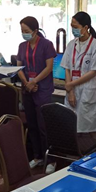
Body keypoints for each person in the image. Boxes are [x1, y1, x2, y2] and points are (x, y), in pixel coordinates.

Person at [17, 17, 58, 174]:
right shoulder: (22, 46)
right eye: (22, 31)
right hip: (27, 89)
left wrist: (34, 81)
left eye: (27, 31)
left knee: (44, 126)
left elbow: (49, 68)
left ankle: (51, 159)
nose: (24, 34)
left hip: (42, 90)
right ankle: (37, 156)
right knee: (32, 124)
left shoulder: (47, 45)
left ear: (35, 31)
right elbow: (19, 67)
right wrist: (27, 82)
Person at [61, 12, 96, 147]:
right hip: (73, 91)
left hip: (88, 92)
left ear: (85, 28)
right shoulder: (71, 44)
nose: (73, 29)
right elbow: (67, 68)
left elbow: (93, 72)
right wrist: (70, 91)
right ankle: (78, 156)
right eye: (72, 26)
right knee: (73, 129)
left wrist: (71, 84)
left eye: (76, 27)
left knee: (92, 129)